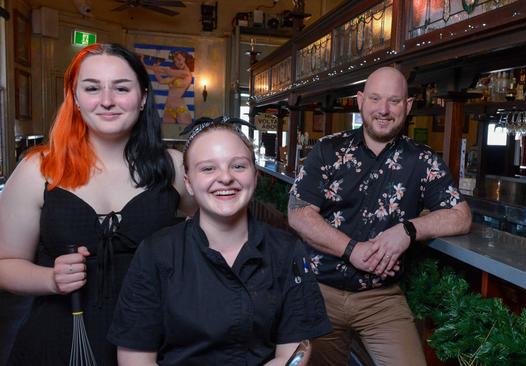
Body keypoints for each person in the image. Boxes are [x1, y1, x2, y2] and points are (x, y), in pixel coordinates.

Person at [0, 43, 195, 365]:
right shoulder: (39, 168)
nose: (107, 100)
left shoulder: (173, 166)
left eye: (121, 88)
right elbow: (5, 263)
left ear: (143, 96)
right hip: (57, 342)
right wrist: (49, 279)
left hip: (153, 343)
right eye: (92, 88)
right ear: (75, 98)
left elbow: (216, 234)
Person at [108, 117, 331, 365]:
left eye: (238, 166)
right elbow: (134, 358)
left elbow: (296, 351)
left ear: (255, 177)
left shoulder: (288, 251)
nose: (225, 178)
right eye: (208, 168)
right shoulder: (155, 253)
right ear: (189, 183)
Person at [288, 67, 472, 365]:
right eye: (375, 99)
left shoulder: (422, 159)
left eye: (394, 101)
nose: (384, 110)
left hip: (380, 299)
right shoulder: (328, 149)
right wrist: (352, 250)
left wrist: (407, 230)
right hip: (318, 291)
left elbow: (460, 215)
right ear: (361, 101)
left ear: (408, 106)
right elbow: (298, 213)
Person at [149, 50, 194, 124]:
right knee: (167, 133)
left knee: (185, 132)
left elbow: (167, 71)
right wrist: (155, 70)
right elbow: (161, 81)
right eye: (175, 61)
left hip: (179, 107)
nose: (178, 63)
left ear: (185, 58)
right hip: (169, 107)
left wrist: (147, 66)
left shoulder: (186, 74)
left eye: (179, 59)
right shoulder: (176, 76)